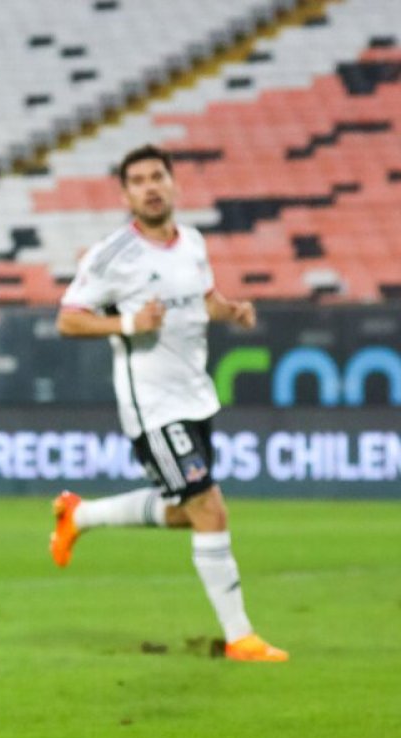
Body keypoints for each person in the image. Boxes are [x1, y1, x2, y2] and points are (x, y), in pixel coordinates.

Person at [50, 144, 287, 663]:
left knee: (188, 512)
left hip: (197, 396)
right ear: (125, 193)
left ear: (174, 184)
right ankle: (239, 637)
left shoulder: (193, 243)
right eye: (137, 180)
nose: (150, 186)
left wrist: (231, 311)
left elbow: (203, 298)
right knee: (209, 508)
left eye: (157, 176)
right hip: (153, 406)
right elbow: (69, 318)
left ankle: (80, 515)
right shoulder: (112, 256)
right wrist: (129, 323)